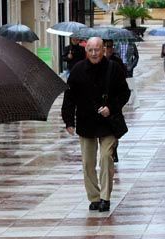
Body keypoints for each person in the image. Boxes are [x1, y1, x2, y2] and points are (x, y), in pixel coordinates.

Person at [62, 37, 130, 213]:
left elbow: (124, 93)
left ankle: (105, 197)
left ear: (103, 50)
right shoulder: (77, 70)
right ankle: (94, 197)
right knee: (87, 163)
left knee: (106, 157)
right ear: (86, 51)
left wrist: (111, 107)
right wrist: (68, 121)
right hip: (86, 122)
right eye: (91, 50)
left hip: (108, 122)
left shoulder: (113, 68)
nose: (94, 53)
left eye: (97, 50)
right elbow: (69, 97)